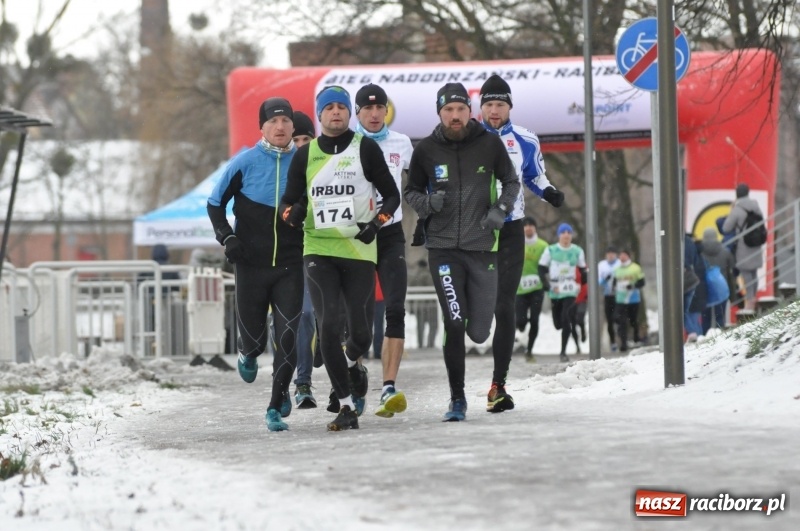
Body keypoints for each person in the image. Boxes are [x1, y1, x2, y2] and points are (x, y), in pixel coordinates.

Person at [279, 85, 400, 432]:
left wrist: (376, 224)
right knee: (329, 324)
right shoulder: (305, 155)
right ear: (319, 115)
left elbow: (390, 196)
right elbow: (287, 205)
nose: (335, 113)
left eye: (341, 108)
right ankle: (345, 405)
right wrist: (295, 211)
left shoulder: (366, 149)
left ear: (350, 114)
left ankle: (352, 364)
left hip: (358, 248)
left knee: (360, 334)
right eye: (329, 107)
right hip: (318, 248)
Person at [404, 82, 520, 422]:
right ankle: (457, 398)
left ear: (470, 111)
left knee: (480, 331)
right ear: (439, 113)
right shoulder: (425, 149)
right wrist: (427, 204)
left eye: (460, 109)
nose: (454, 116)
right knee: (454, 321)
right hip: (442, 249)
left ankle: (485, 381)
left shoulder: (489, 144)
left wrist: (501, 208)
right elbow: (410, 191)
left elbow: (511, 182)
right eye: (448, 110)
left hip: (482, 246)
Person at [206, 97, 304, 432]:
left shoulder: (305, 161)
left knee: (288, 335)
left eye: (286, 121)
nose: (280, 127)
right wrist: (227, 237)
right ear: (262, 127)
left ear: (293, 126)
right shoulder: (244, 162)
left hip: (291, 264)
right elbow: (215, 203)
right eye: (273, 122)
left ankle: (275, 404)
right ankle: (247, 352)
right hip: (251, 264)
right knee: (255, 340)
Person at [479, 74, 565, 412]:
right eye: (488, 104)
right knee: (475, 306)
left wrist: (549, 192)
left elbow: (534, 174)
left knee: (505, 305)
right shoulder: (468, 137)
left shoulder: (525, 139)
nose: (494, 110)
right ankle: (457, 389)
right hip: (474, 230)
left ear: (509, 107)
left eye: (500, 104)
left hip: (511, 228)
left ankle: (498, 384)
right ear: (480, 107)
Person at [353, 83, 414, 418]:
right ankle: (356, 376)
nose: (375, 115)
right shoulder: (349, 144)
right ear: (358, 113)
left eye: (380, 109)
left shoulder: (401, 143)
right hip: (358, 234)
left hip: (390, 233)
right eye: (367, 109)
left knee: (395, 307)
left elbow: (419, 182)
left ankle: (389, 385)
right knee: (358, 313)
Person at [290, 111, 318, 409]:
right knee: (299, 317)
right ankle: (302, 382)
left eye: (305, 139)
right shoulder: (281, 167)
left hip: (320, 249)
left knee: (313, 316)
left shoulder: (324, 164)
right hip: (287, 256)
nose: (300, 144)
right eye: (295, 139)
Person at [538, 223, 587, 362]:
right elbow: (541, 268)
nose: (566, 235)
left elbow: (583, 268)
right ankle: (561, 327)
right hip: (555, 289)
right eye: (563, 232)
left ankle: (563, 352)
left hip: (570, 289)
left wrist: (584, 279)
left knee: (566, 317)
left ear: (571, 236)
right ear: (559, 235)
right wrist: (546, 283)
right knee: (558, 323)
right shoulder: (551, 250)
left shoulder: (577, 251)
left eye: (569, 232)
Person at [722, 183, 764, 311]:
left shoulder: (738, 209)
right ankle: (753, 297)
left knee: (746, 272)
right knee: (754, 272)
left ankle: (750, 301)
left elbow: (726, 228)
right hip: (755, 244)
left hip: (744, 246)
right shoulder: (756, 206)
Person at [514, 217, 548, 362]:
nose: (528, 228)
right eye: (525, 225)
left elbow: (547, 266)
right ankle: (521, 326)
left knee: (535, 319)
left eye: (531, 225)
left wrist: (547, 281)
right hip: (520, 289)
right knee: (520, 321)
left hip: (537, 288)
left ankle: (529, 350)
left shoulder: (543, 245)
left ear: (535, 228)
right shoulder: (517, 244)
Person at [700, 227, 736, 332]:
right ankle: (720, 339)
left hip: (705, 290)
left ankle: (704, 342)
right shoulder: (725, 252)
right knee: (720, 317)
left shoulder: (699, 254)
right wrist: (733, 295)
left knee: (705, 319)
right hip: (721, 289)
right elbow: (731, 274)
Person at [611, 249, 645, 352]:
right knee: (621, 321)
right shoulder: (616, 269)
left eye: (624, 255)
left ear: (628, 256)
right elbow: (614, 281)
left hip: (633, 299)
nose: (622, 257)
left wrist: (633, 285)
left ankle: (636, 336)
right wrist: (614, 288)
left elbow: (642, 282)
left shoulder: (635, 268)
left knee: (633, 320)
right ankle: (623, 344)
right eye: (620, 255)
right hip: (620, 300)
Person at [410, 259, 438, 349]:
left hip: (418, 306)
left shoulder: (415, 276)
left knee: (420, 327)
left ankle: (420, 345)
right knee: (433, 325)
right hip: (430, 305)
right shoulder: (429, 275)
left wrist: (411, 307)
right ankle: (430, 344)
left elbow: (410, 292)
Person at [597, 246, 620, 351]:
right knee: (609, 320)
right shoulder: (601, 265)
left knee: (618, 318)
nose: (610, 256)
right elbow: (598, 281)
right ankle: (613, 342)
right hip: (607, 295)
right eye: (608, 254)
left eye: (612, 253)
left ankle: (621, 338)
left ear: (615, 255)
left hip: (620, 296)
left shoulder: (620, 264)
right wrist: (604, 280)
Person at [571, 266, 588, 353]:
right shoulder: (565, 266)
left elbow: (588, 281)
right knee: (572, 324)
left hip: (582, 298)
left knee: (579, 318)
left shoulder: (584, 267)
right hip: (570, 299)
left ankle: (582, 329)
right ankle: (577, 346)